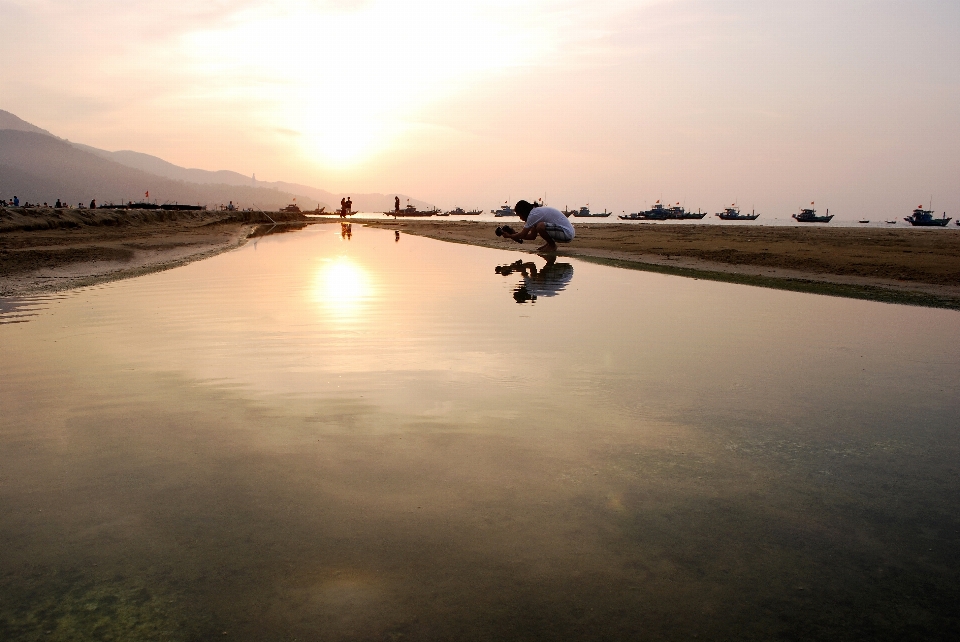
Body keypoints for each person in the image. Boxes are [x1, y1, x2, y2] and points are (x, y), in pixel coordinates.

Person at [498, 200, 575, 252]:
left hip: (567, 233)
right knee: (539, 226)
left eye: (520, 216)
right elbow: (532, 236)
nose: (521, 218)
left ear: (524, 212)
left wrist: (510, 236)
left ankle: (552, 245)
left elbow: (523, 234)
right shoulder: (535, 214)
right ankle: (549, 244)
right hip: (563, 232)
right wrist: (514, 234)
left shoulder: (533, 214)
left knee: (540, 226)